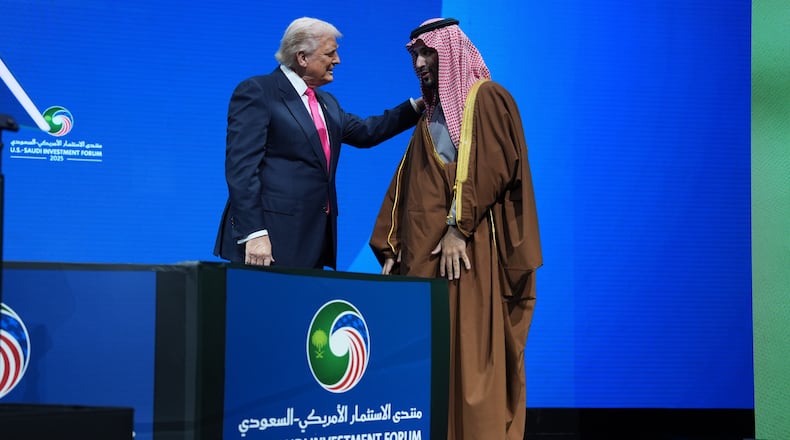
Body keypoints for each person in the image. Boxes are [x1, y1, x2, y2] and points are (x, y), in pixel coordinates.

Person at [368, 18, 543, 440]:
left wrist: (458, 229)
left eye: (428, 53)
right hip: (424, 266)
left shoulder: (487, 100)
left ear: (451, 52)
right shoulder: (429, 119)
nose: (420, 63)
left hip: (466, 261)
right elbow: (405, 183)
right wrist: (388, 245)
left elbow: (492, 170)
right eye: (415, 55)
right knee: (430, 365)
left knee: (470, 359)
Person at [214, 17, 424, 269]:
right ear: (302, 57)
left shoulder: (327, 104)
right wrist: (255, 233)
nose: (337, 60)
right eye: (330, 53)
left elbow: (368, 132)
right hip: (269, 240)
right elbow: (242, 169)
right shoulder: (259, 91)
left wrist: (417, 107)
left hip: (312, 240)